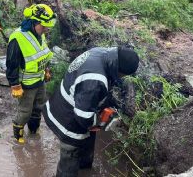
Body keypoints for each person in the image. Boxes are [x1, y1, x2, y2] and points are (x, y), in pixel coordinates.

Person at [43, 46, 140, 177]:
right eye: (122, 75)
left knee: (86, 147)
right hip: (68, 120)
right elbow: (83, 117)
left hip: (67, 103)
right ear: (118, 69)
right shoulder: (94, 79)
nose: (121, 77)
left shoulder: (101, 52)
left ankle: (85, 170)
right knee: (69, 159)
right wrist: (102, 122)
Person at [6, 4, 56, 144]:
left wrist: (46, 70)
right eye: (44, 25)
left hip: (40, 81)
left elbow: (41, 54)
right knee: (24, 112)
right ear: (34, 22)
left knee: (38, 108)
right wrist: (14, 84)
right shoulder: (18, 38)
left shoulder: (40, 34)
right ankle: (18, 137)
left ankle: (34, 131)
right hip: (26, 85)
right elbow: (11, 64)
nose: (47, 29)